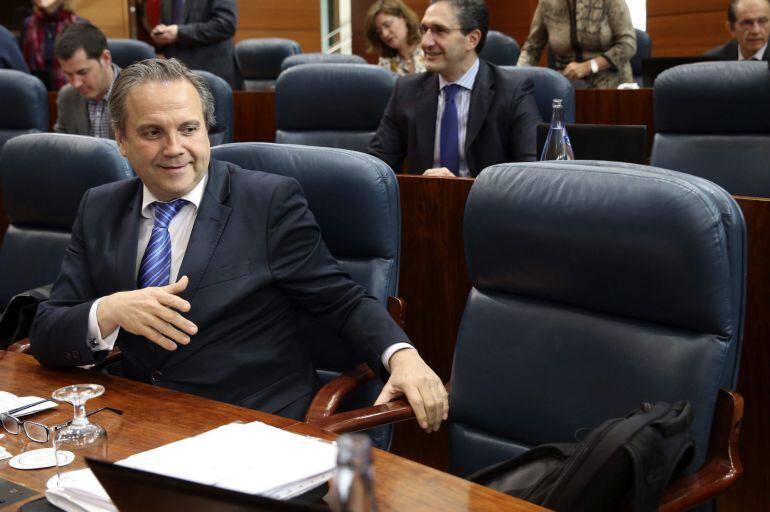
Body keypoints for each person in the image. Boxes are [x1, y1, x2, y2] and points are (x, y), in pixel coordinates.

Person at [29, 57, 447, 432]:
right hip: (136, 424)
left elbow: (342, 301)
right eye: (153, 132)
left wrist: (402, 356)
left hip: (252, 426)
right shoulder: (100, 207)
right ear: (120, 139)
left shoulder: (267, 202)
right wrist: (109, 310)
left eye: (189, 129)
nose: (174, 149)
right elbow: (48, 328)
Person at [368, 0, 542, 178]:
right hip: (422, 202)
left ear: (472, 39)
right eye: (425, 30)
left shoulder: (513, 90)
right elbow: (375, 166)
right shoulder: (406, 90)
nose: (426, 42)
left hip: (486, 203)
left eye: (439, 31)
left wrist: (462, 189)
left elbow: (532, 169)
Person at [516, 0, 636, 89]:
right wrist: (517, 79)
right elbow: (531, 49)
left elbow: (628, 44)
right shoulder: (547, 4)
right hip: (567, 85)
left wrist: (589, 66)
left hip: (612, 85)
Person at [149, 0, 238, 88]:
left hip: (212, 72)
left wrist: (179, 33)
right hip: (175, 74)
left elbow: (226, 24)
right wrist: (161, 35)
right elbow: (169, 25)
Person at [53, 22, 119, 138]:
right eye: (68, 74)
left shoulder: (136, 94)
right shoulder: (66, 96)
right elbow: (61, 149)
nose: (75, 84)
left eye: (82, 72)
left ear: (106, 58)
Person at [21, 0, 80, 90]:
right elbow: (22, 66)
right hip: (34, 90)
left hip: (71, 91)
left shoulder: (79, 25)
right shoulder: (28, 24)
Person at [365, 0, 426, 75]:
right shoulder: (385, 65)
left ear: (404, 18)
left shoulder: (429, 47)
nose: (385, 34)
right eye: (379, 32)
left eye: (387, 25)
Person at [704, 0, 770, 61]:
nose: (756, 31)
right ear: (731, 28)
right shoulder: (713, 62)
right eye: (747, 23)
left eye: (763, 21)